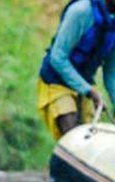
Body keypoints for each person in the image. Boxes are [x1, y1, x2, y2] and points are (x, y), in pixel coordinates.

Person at [38, 0, 115, 140]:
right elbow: (58, 57)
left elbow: (111, 74)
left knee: (91, 139)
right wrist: (89, 90)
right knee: (72, 134)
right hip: (56, 81)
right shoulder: (81, 11)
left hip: (85, 86)